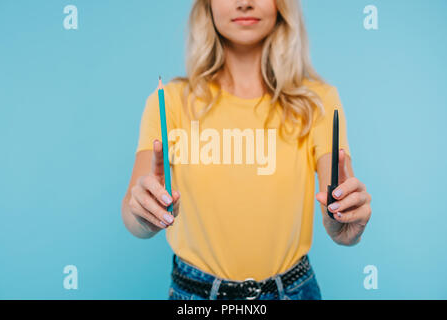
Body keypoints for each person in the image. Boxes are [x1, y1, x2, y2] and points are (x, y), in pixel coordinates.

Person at [121, 0, 372, 300]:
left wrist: (343, 222)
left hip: (293, 290)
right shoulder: (171, 101)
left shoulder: (317, 100)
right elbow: (131, 213)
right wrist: (145, 215)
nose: (245, 3)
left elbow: (341, 202)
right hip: (195, 296)